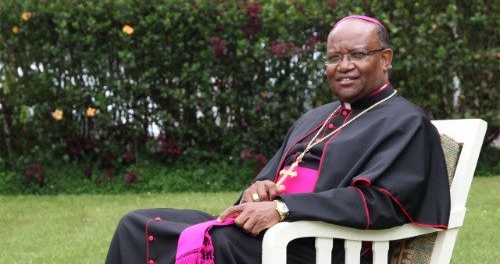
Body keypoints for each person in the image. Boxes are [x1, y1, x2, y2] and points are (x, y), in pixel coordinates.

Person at [105, 15, 450, 264]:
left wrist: (284, 209)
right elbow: (266, 181)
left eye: (358, 55)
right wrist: (259, 191)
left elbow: (380, 203)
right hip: (272, 234)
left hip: (326, 247)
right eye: (334, 57)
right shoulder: (316, 116)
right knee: (137, 224)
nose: (344, 66)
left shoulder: (406, 121)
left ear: (385, 59)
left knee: (220, 241)